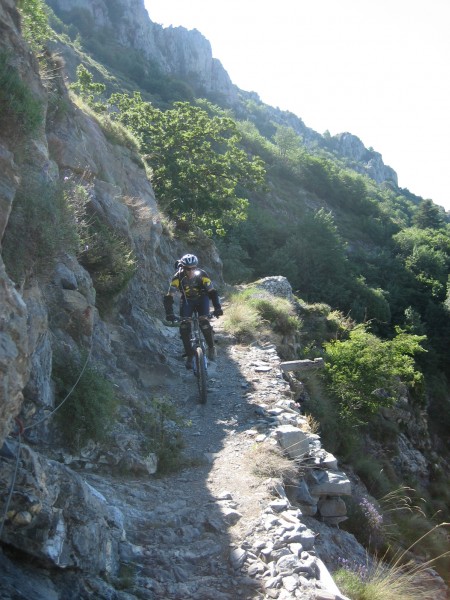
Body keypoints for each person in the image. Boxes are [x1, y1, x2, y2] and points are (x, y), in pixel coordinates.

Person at [163, 254, 223, 369]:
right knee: (184, 327)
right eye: (187, 268)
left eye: (193, 268)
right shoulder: (177, 277)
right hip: (187, 300)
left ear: (196, 267)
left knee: (204, 322)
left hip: (202, 298)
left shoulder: (202, 275)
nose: (191, 271)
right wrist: (169, 313)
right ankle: (190, 355)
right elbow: (169, 296)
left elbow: (212, 292)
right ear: (183, 267)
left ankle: (211, 347)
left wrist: (217, 308)